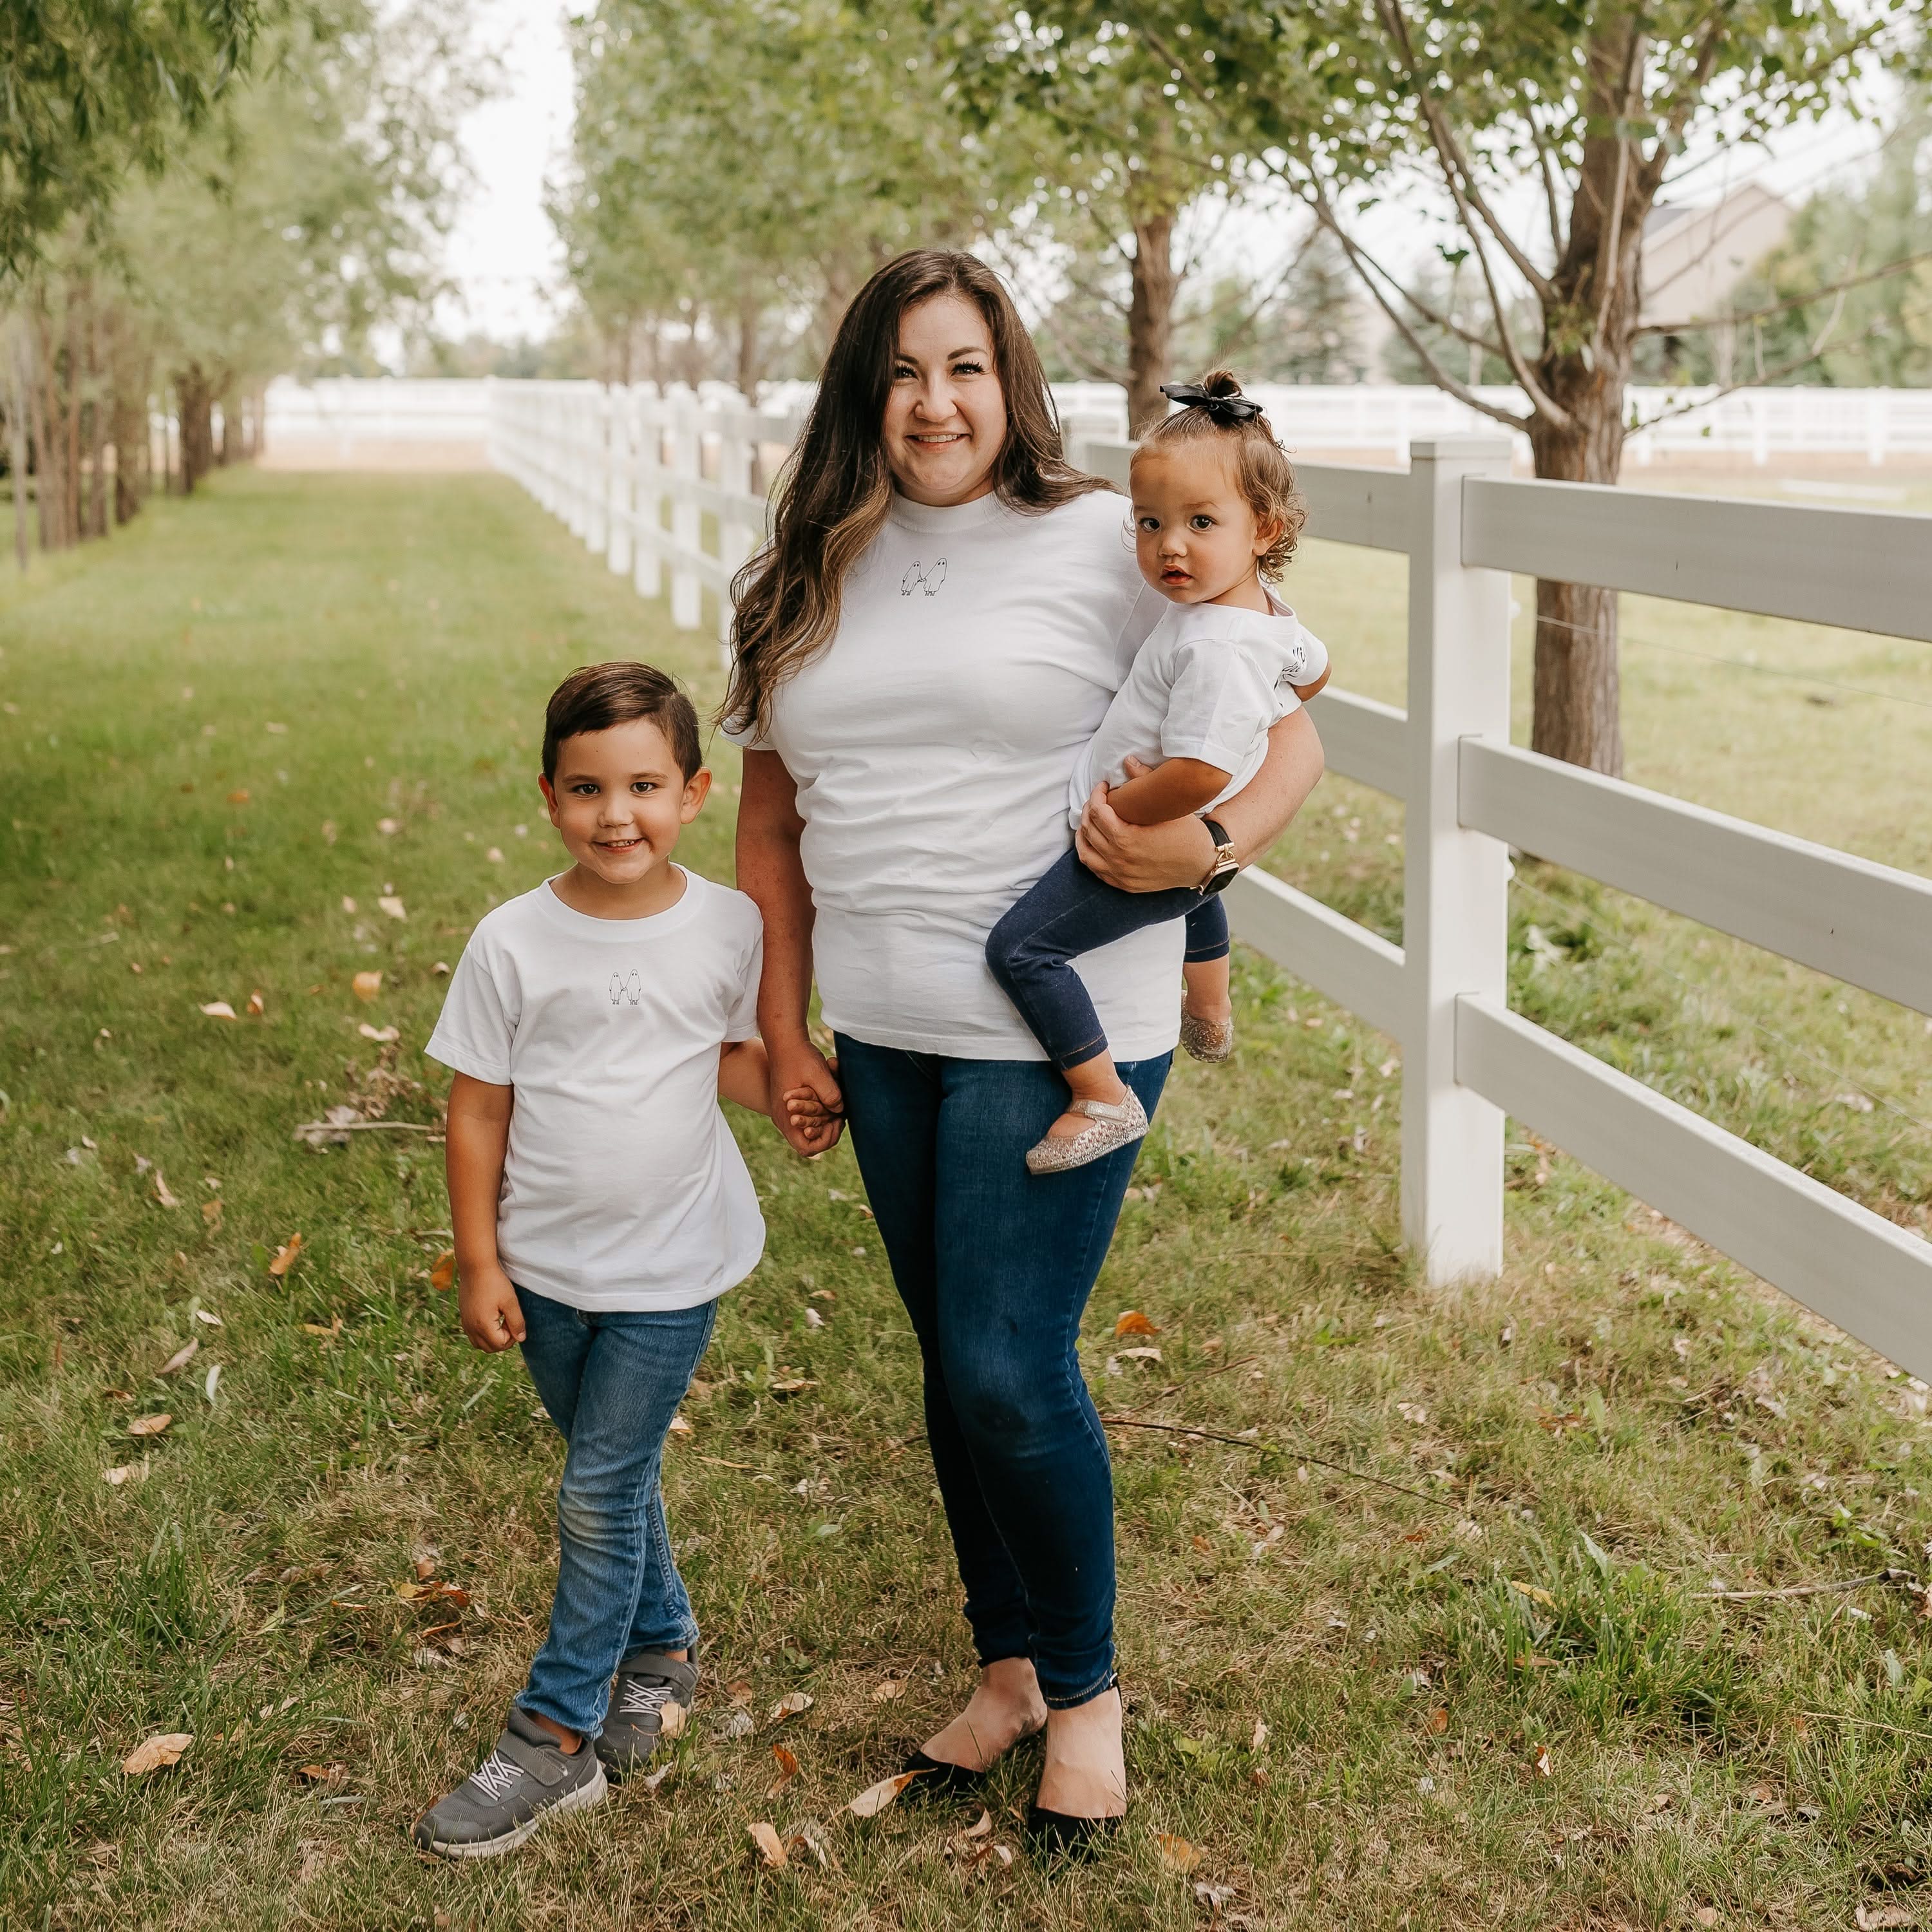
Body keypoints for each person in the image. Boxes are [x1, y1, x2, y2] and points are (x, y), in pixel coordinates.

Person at [726, 251, 1325, 1850]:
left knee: (1006, 1362)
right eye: (907, 368)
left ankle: (1087, 1694)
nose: (937, 400)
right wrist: (776, 1022)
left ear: (1012, 383)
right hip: (883, 1026)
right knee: (949, 1364)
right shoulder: (799, 570)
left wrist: (1208, 854)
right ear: (865, 386)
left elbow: (1290, 723)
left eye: (968, 365)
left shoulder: (1102, 538)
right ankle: (1004, 1670)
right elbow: (771, 819)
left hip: (1061, 1021)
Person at [410, 661, 833, 1859]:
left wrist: (789, 1093)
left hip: (669, 1271)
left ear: (694, 791)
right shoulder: (511, 942)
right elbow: (477, 1110)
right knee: (615, 1477)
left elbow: (724, 1056)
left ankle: (553, 1736)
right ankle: (661, 1647)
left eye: (645, 785)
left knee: (595, 1489)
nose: (617, 815)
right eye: (589, 789)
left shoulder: (727, 925)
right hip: (544, 1272)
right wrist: (481, 1262)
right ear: (549, 795)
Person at [985, 370, 1332, 1174]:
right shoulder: (1263, 618)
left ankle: (1100, 1095)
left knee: (1022, 952)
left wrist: (1122, 810)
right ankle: (1208, 1009)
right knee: (1196, 900)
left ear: (1263, 528)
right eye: (1149, 523)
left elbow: (1203, 773)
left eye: (1200, 521)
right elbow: (1314, 673)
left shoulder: (1216, 645)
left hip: (1138, 839)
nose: (1168, 545)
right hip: (1195, 861)